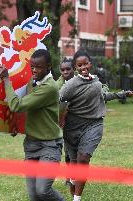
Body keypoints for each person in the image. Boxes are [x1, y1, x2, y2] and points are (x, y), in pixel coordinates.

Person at [59, 50, 132, 201]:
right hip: (72, 128)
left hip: (93, 124)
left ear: (90, 64)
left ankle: (77, 199)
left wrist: (122, 94)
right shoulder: (71, 84)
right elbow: (57, 99)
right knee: (74, 166)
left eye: (86, 63)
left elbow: (104, 96)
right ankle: (73, 181)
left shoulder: (97, 82)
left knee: (83, 158)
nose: (83, 67)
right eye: (80, 65)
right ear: (75, 67)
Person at [0, 49, 65, 201]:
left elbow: (17, 105)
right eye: (32, 66)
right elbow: (30, 109)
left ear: (49, 66)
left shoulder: (49, 87)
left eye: (38, 67)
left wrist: (6, 80)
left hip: (50, 145)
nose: (34, 70)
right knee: (34, 196)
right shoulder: (33, 81)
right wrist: (16, 124)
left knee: (42, 191)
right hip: (31, 144)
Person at [56, 58, 74, 186]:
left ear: (73, 68)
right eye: (63, 69)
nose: (65, 71)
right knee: (68, 150)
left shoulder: (81, 80)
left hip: (81, 120)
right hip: (65, 122)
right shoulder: (57, 85)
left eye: (68, 69)